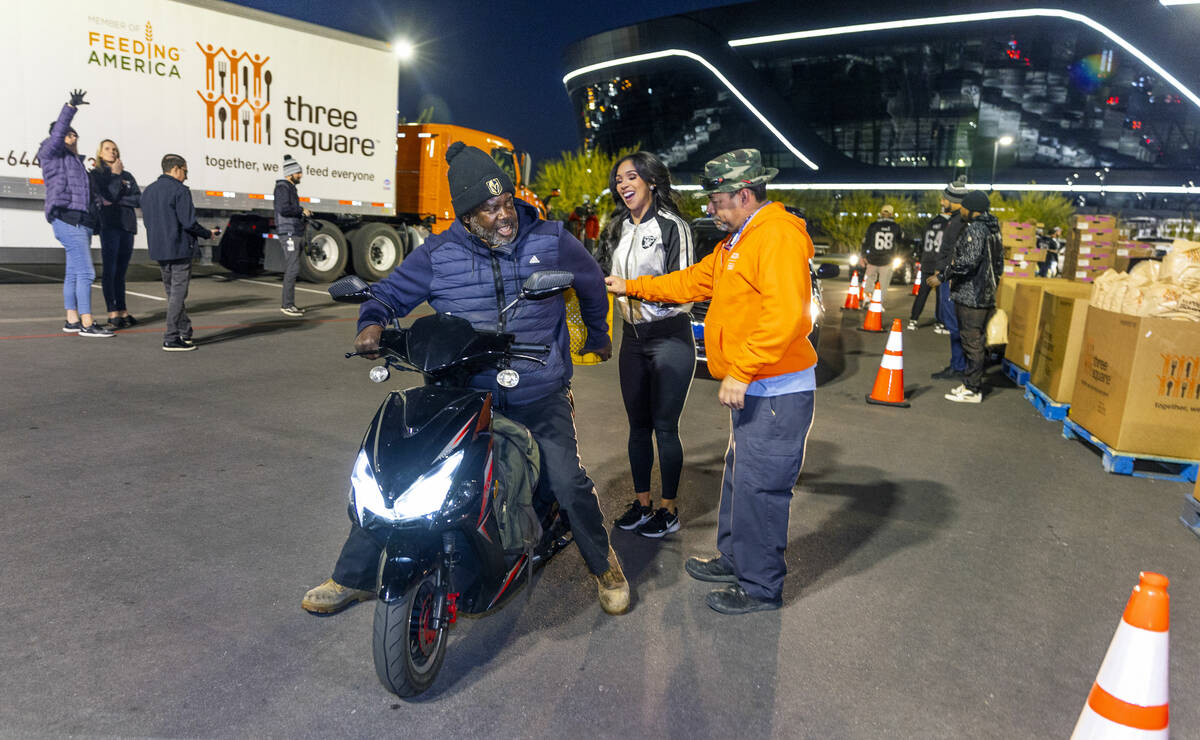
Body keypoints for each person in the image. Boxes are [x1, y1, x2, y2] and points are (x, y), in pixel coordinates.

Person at [302, 142, 629, 616]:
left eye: (507, 202)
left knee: (567, 478)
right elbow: (388, 295)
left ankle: (605, 567)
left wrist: (597, 335)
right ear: (467, 215)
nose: (504, 215)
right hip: (464, 388)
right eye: (489, 208)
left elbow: (591, 285)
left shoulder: (551, 239)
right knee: (403, 467)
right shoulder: (438, 253)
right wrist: (370, 323)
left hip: (537, 388)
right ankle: (351, 576)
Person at [605, 149, 817, 615]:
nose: (710, 208)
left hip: (776, 387)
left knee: (762, 490)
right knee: (741, 481)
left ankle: (760, 587)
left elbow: (786, 315)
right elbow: (688, 282)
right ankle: (734, 559)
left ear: (744, 195)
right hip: (761, 389)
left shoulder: (776, 236)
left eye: (716, 199)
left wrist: (740, 371)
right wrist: (631, 286)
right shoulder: (737, 241)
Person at [598, 152, 695, 539]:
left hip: (669, 336)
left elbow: (685, 293)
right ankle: (642, 504)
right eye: (618, 179)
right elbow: (602, 276)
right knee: (637, 428)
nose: (623, 184)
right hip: (632, 340)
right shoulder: (616, 227)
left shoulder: (675, 227)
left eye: (632, 176)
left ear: (652, 181)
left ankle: (668, 510)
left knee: (665, 428)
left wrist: (635, 290)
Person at [38, 90, 113, 338]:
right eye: (67, 133)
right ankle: (87, 323)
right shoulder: (50, 153)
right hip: (69, 220)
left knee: (73, 272)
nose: (72, 136)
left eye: (74, 133)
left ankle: (72, 319)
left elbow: (87, 194)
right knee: (87, 273)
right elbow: (59, 132)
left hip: (81, 221)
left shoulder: (76, 163)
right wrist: (70, 107)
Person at [140, 154, 218, 352]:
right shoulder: (180, 191)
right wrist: (207, 233)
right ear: (176, 169)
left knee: (172, 293)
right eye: (185, 171)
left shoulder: (148, 191)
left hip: (159, 249)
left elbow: (148, 222)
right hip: (179, 248)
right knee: (178, 294)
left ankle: (185, 331)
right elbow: (189, 222)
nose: (186, 176)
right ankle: (171, 337)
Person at [939, 190, 997, 404]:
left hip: (973, 295)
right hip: (984, 292)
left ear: (972, 210)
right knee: (975, 340)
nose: (960, 209)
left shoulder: (977, 229)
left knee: (972, 341)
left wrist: (944, 275)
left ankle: (973, 389)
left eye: (964, 206)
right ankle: (969, 383)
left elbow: (968, 262)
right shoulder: (993, 228)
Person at [89, 139, 141, 329]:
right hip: (109, 226)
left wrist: (120, 199)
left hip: (127, 226)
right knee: (109, 271)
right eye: (108, 149)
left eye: (115, 149)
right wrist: (116, 176)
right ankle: (112, 313)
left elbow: (138, 199)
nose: (112, 152)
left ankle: (123, 310)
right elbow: (106, 197)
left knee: (121, 272)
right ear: (100, 153)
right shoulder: (98, 174)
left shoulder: (128, 175)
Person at [927, 178, 970, 379]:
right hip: (946, 277)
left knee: (954, 324)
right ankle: (957, 364)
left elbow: (956, 253)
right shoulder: (954, 219)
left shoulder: (961, 222)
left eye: (945, 197)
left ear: (954, 200)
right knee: (949, 320)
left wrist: (945, 275)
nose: (942, 200)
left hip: (951, 279)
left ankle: (960, 366)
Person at [274, 154, 311, 317]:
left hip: (293, 231)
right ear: (290, 173)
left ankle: (290, 304)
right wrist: (301, 210)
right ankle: (287, 305)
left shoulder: (289, 188)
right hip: (288, 231)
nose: (301, 175)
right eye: (299, 173)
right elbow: (283, 209)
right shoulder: (283, 188)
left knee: (293, 267)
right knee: (292, 268)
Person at [908, 194, 951, 331]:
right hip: (940, 263)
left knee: (923, 292)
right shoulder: (949, 225)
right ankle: (940, 322)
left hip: (927, 260)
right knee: (941, 294)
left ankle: (913, 319)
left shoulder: (929, 224)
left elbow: (922, 243)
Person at [860, 204, 904, 292]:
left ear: (881, 213)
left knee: (869, 282)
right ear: (891, 214)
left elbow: (866, 242)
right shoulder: (896, 227)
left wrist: (863, 255)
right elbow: (900, 243)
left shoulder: (873, 226)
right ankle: (878, 303)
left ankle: (867, 301)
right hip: (887, 260)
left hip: (872, 259)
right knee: (883, 285)